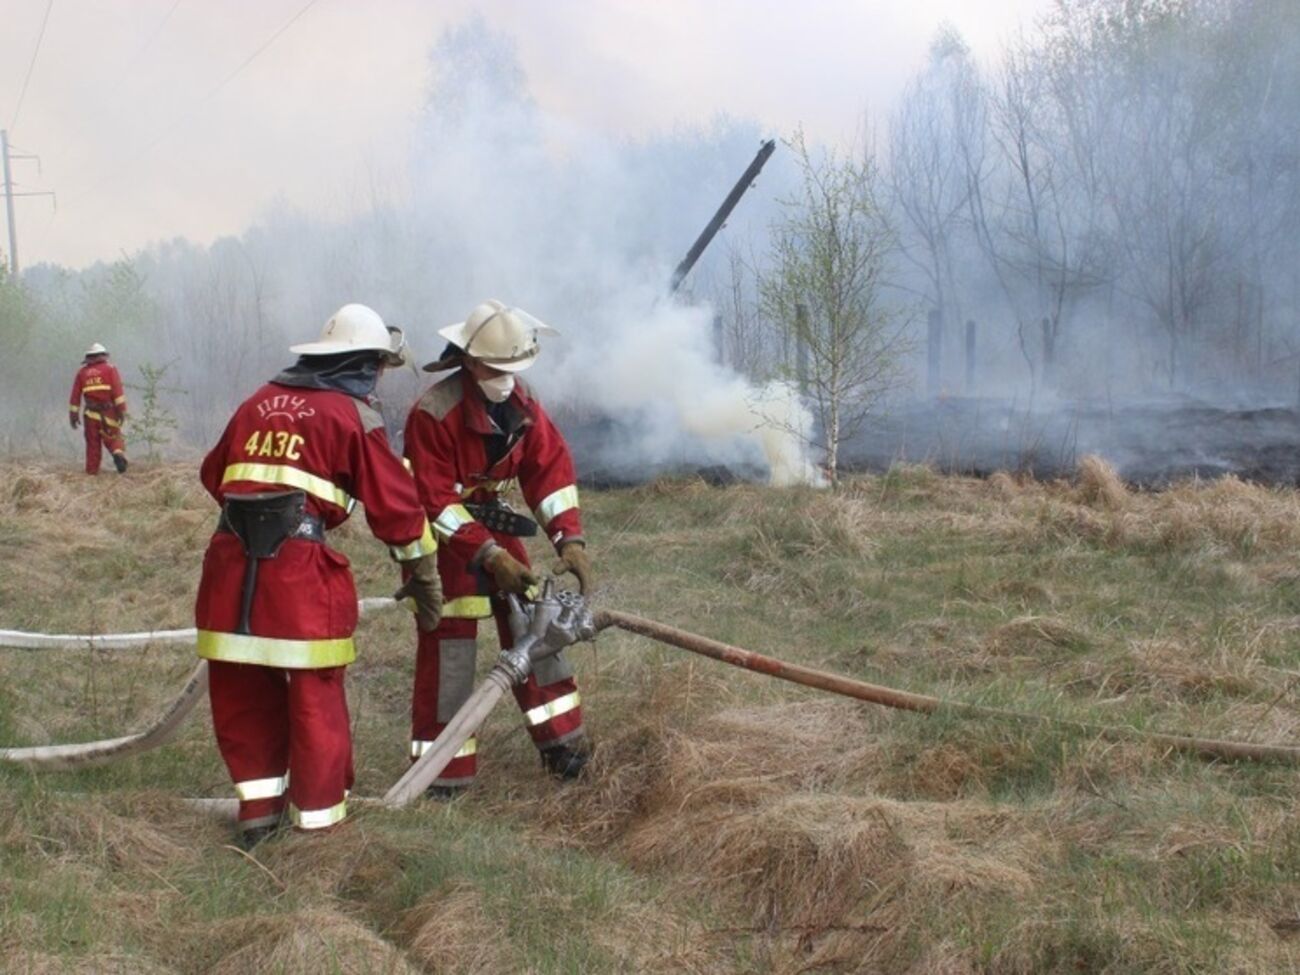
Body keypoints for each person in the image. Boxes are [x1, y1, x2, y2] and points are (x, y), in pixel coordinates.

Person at [194, 303, 443, 847]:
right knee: (315, 700)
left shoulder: (256, 401)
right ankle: (319, 828)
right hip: (300, 578)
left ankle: (257, 818)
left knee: (242, 694)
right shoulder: (353, 416)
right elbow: (397, 508)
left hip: (228, 572)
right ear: (368, 365)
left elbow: (214, 474)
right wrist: (421, 573)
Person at [404, 299, 594, 798]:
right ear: (469, 361)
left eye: (514, 368)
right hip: (450, 542)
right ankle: (444, 773)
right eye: (496, 368)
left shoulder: (522, 404)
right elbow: (436, 501)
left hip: (499, 526)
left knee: (539, 630)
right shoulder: (434, 413)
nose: (507, 378)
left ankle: (564, 746)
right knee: (451, 655)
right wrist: (487, 555)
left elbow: (549, 471)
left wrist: (567, 536)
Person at [68, 343, 129, 474]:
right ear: (102, 355)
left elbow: (75, 396)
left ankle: (92, 473)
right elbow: (117, 392)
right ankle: (118, 454)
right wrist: (122, 411)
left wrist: (73, 415)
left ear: (89, 357)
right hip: (109, 412)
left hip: (90, 415)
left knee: (93, 444)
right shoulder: (110, 369)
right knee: (114, 437)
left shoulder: (82, 373)